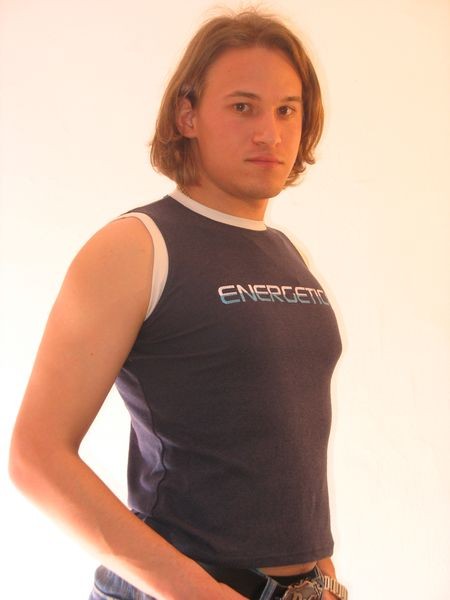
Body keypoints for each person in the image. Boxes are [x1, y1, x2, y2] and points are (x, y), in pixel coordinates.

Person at [9, 8, 348, 600]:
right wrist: (195, 591)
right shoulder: (138, 245)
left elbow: (288, 442)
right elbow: (36, 457)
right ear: (187, 115)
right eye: (242, 107)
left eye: (286, 110)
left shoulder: (287, 253)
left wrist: (322, 574)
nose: (269, 133)